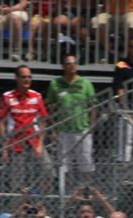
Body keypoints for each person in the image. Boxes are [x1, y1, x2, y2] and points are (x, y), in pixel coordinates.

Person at [47, 54, 96, 194]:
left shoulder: (85, 83)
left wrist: (91, 127)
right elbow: (50, 107)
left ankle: (86, 190)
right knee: (64, 162)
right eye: (68, 63)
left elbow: (93, 106)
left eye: (74, 63)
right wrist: (53, 129)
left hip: (83, 128)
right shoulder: (55, 84)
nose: (72, 66)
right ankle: (67, 192)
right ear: (63, 66)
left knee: (85, 159)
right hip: (64, 129)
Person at [0, 65, 49, 195]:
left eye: (29, 77)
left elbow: (43, 121)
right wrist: (4, 148)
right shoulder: (8, 97)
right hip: (16, 142)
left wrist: (40, 144)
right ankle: (20, 208)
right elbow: (2, 122)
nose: (27, 79)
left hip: (34, 140)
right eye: (23, 77)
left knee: (48, 169)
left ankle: (40, 202)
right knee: (17, 180)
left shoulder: (37, 96)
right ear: (17, 78)